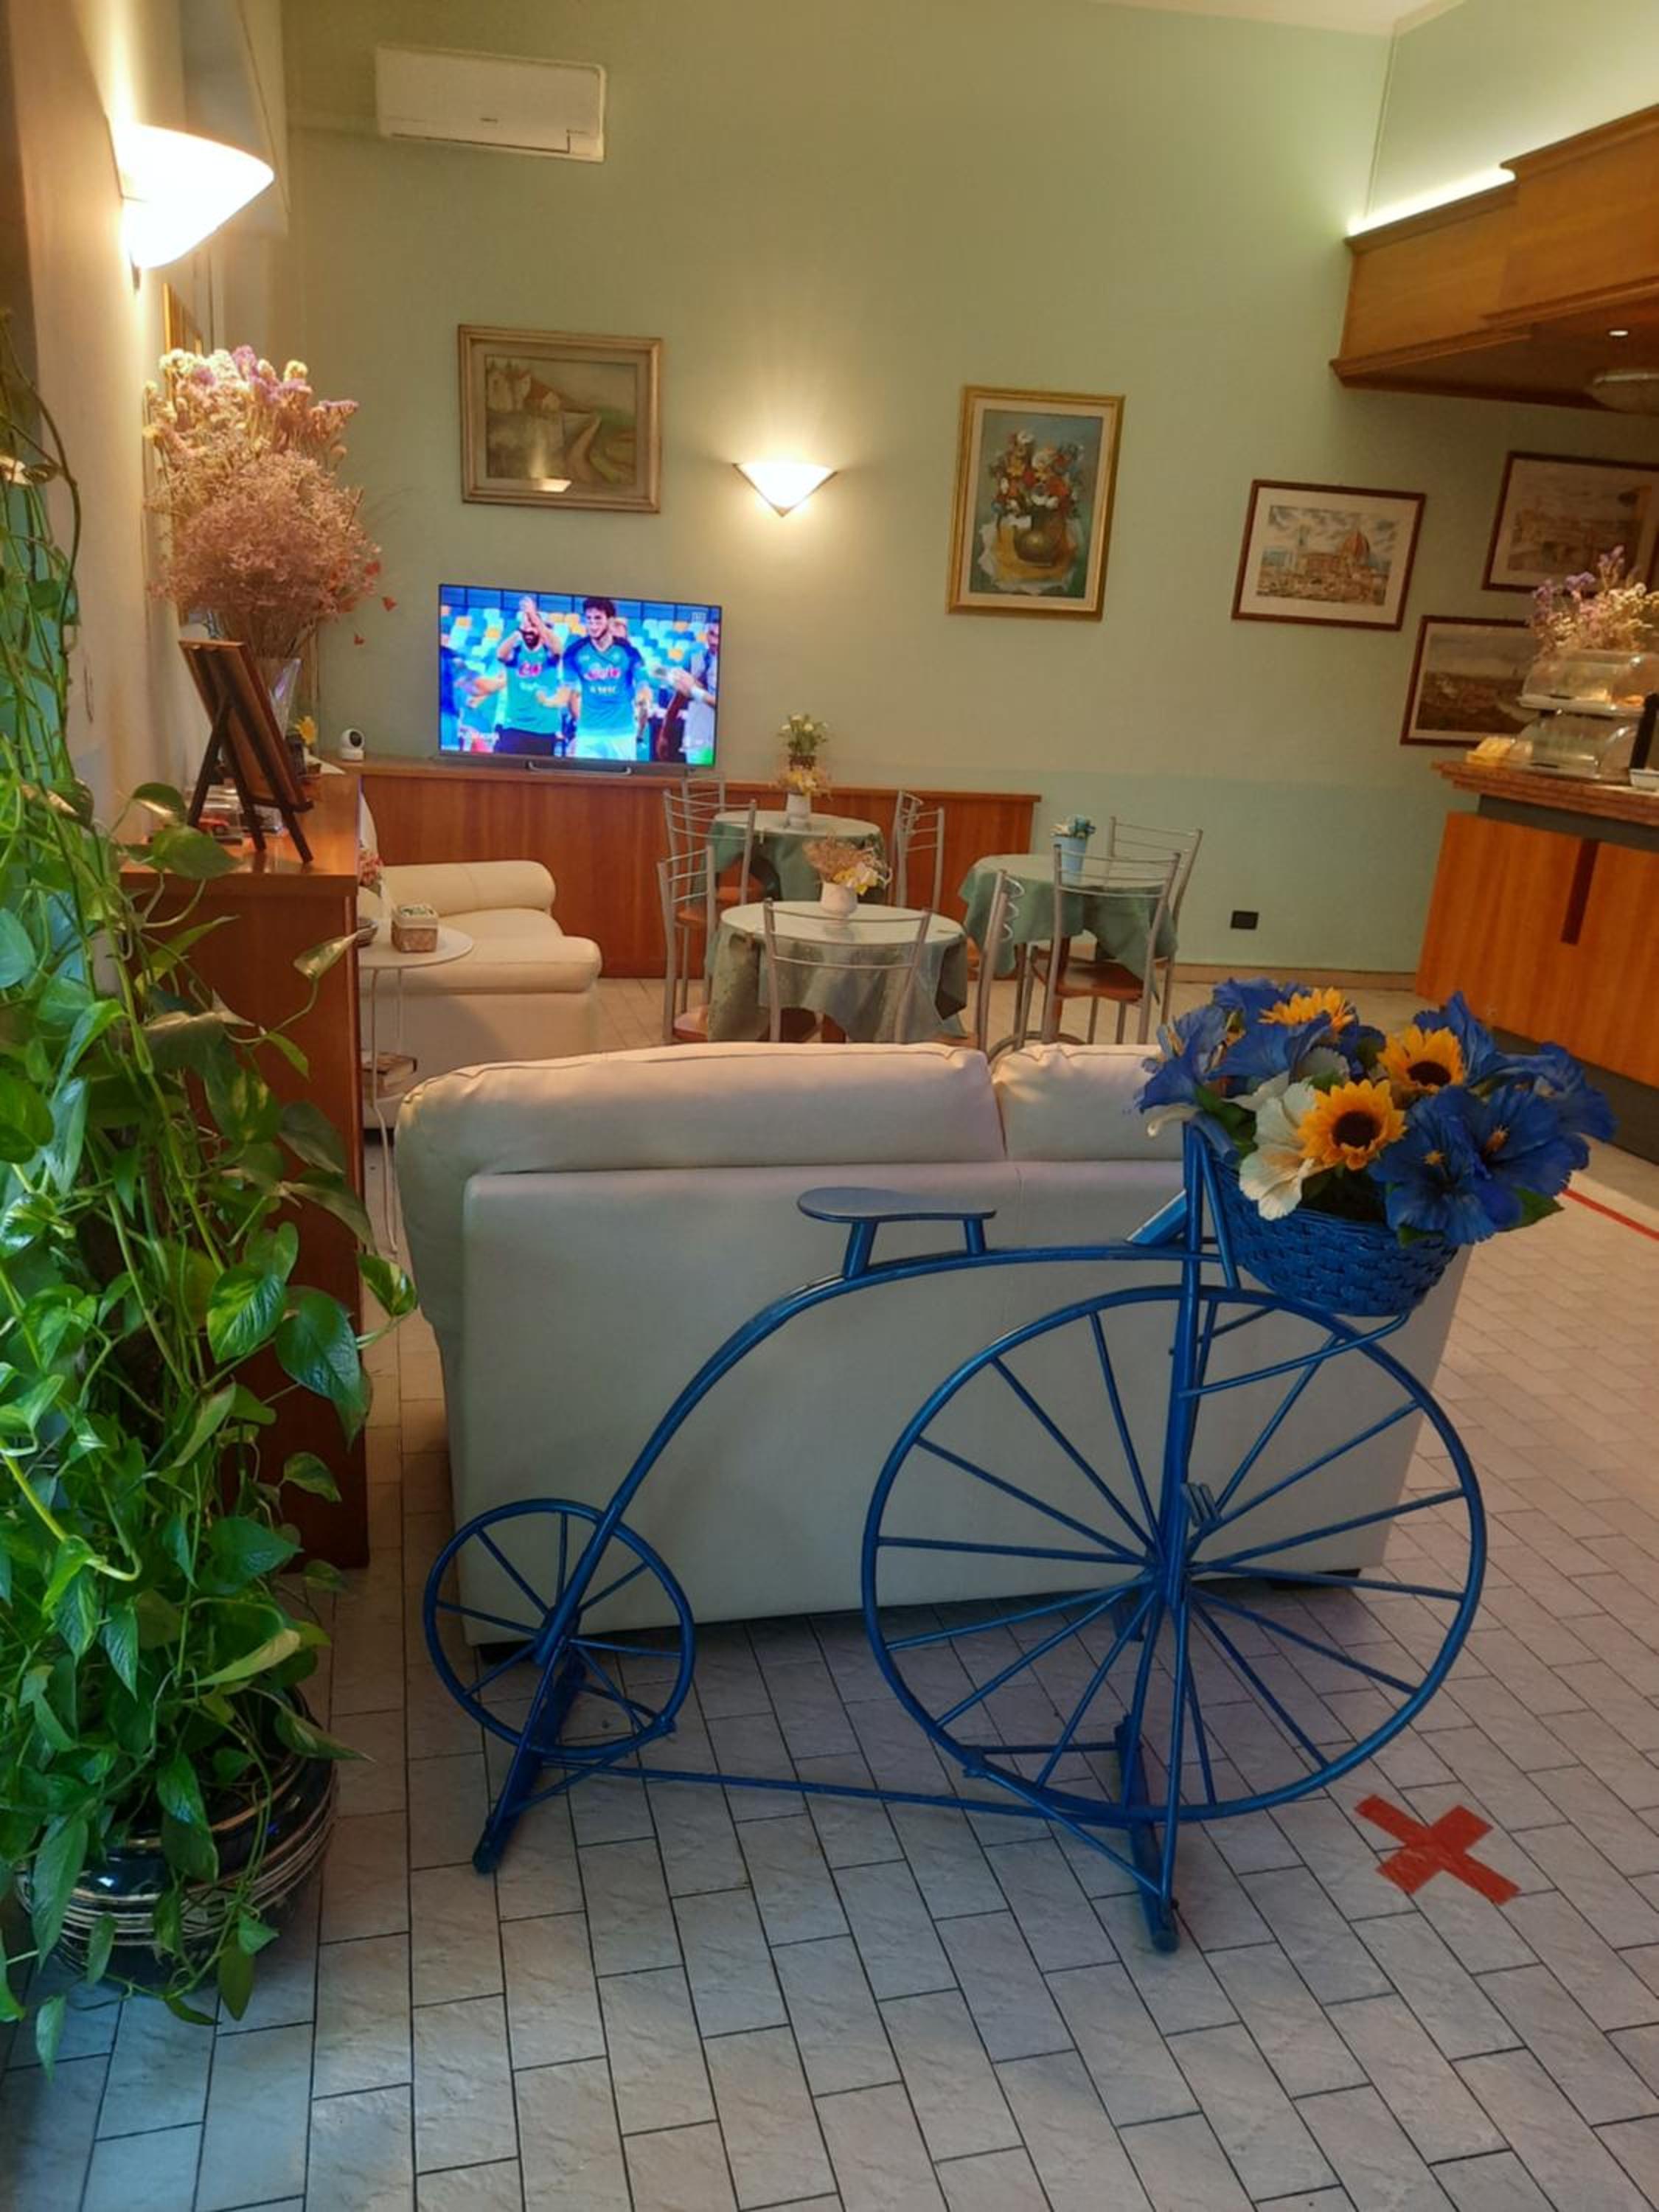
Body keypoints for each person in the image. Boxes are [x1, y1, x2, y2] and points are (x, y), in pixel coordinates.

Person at [469, 595, 566, 757]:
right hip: (515, 726)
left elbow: (558, 648)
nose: (529, 631)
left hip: (544, 728)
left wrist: (535, 618)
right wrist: (518, 631)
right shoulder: (515, 653)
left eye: (533, 627)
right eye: (526, 627)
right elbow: (500, 655)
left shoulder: (549, 655)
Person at [557, 596, 652, 762]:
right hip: (588, 734)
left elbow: (643, 684)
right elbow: (570, 693)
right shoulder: (574, 652)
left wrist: (644, 696)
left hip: (622, 734)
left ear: (610, 621)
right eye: (589, 619)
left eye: (598, 619)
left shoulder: (629, 652)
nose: (593, 625)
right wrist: (579, 726)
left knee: (621, 779)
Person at [672, 614, 720, 765]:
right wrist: (665, 730)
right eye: (712, 634)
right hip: (696, 738)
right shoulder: (694, 658)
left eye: (719, 636)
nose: (714, 641)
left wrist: (694, 689)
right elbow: (679, 694)